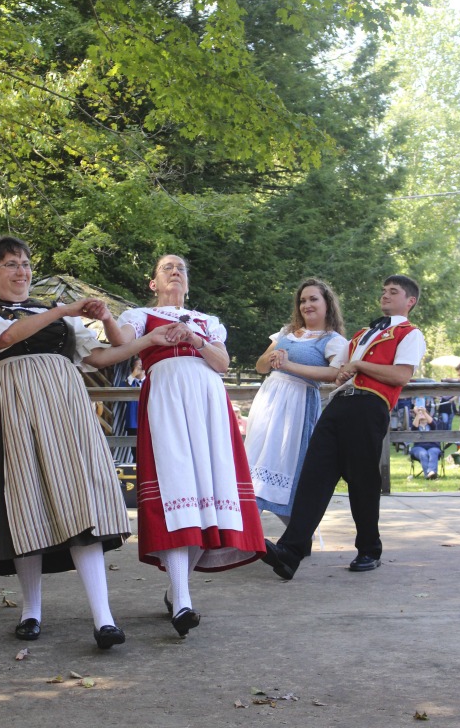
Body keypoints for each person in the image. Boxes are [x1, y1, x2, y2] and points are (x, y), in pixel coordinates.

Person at [0, 236, 171, 649]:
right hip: (15, 405)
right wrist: (63, 309)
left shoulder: (56, 316)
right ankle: (31, 610)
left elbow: (99, 357)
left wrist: (146, 342)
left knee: (82, 500)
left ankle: (104, 619)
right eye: (10, 265)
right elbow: (6, 340)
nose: (21, 271)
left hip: (65, 404)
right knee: (26, 500)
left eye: (25, 263)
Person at [110, 255, 266, 637]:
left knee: (206, 494)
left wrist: (195, 338)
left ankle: (177, 591)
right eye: (167, 268)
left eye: (181, 268)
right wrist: (105, 318)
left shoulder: (206, 321)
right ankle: (181, 601)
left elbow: (222, 363)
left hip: (208, 400)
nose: (176, 271)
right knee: (176, 489)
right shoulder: (141, 315)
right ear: (153, 283)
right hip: (166, 393)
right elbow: (121, 344)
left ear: (188, 283)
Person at [262, 274, 426, 579]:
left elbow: (401, 375)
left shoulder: (410, 333)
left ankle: (368, 549)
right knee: (314, 475)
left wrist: (359, 365)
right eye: (384, 290)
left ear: (410, 301)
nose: (385, 295)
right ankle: (291, 551)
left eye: (393, 292)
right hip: (338, 405)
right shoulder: (364, 333)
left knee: (362, 480)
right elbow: (335, 372)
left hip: (369, 406)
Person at [245, 278, 346, 526]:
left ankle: (297, 532)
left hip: (298, 404)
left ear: (327, 304)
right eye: (303, 300)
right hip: (269, 400)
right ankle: (246, 532)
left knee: (288, 465)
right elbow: (259, 367)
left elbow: (335, 374)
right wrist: (273, 356)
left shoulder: (332, 340)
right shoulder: (286, 333)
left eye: (313, 299)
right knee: (255, 462)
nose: (307, 305)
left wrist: (290, 365)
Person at [124, 355, 146, 461]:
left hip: (148, 420)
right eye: (138, 365)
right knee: (135, 450)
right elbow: (120, 389)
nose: (140, 367)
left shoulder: (150, 381)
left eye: (142, 364)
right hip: (133, 422)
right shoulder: (129, 383)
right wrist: (133, 374)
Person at [410, 406, 441, 479]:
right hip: (418, 447)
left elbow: (432, 423)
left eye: (423, 414)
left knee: (433, 452)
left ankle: (431, 472)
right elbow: (414, 427)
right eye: (420, 414)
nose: (421, 415)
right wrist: (417, 414)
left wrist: (424, 412)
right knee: (423, 454)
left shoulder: (432, 425)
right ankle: (429, 474)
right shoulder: (416, 426)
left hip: (433, 446)